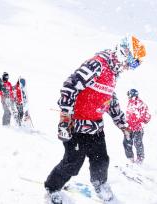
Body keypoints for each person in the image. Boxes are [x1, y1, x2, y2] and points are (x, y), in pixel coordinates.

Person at [44, 35, 146, 203]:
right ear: (123, 53)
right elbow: (69, 86)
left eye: (135, 65)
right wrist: (65, 117)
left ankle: (100, 184)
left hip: (95, 126)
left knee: (102, 160)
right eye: (132, 62)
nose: (130, 67)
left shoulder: (113, 74)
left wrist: (122, 124)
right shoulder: (98, 64)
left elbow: (110, 101)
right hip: (75, 125)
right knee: (73, 163)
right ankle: (52, 187)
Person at [123, 89, 151, 164]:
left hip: (137, 128)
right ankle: (130, 159)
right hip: (129, 128)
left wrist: (141, 124)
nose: (128, 97)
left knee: (137, 143)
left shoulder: (140, 103)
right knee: (126, 142)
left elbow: (148, 116)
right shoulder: (130, 102)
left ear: (131, 95)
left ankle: (139, 159)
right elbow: (130, 115)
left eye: (128, 95)